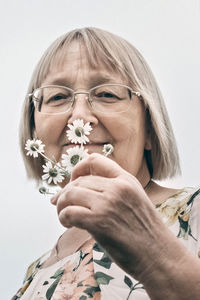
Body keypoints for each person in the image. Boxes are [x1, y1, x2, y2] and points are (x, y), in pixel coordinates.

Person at [13, 27, 200, 300]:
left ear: (149, 127)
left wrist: (154, 252)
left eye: (107, 94)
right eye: (57, 97)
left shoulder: (194, 213)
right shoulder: (36, 272)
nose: (79, 116)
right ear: (34, 128)